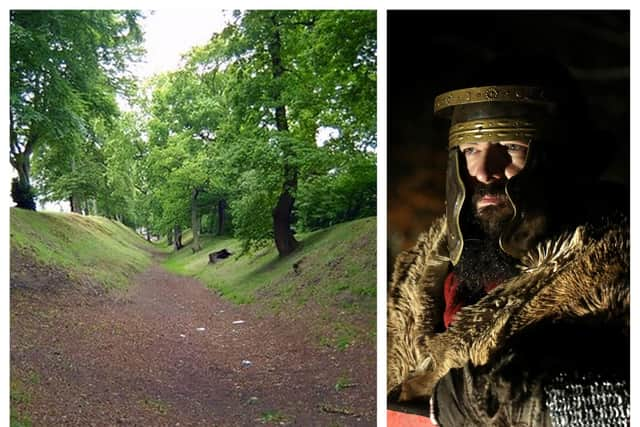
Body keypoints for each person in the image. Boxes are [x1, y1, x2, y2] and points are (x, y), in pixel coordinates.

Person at [387, 56, 629, 426]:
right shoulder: (419, 274)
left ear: (565, 157)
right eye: (471, 150)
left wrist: (513, 398)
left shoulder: (616, 269)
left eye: (511, 146)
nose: (484, 170)